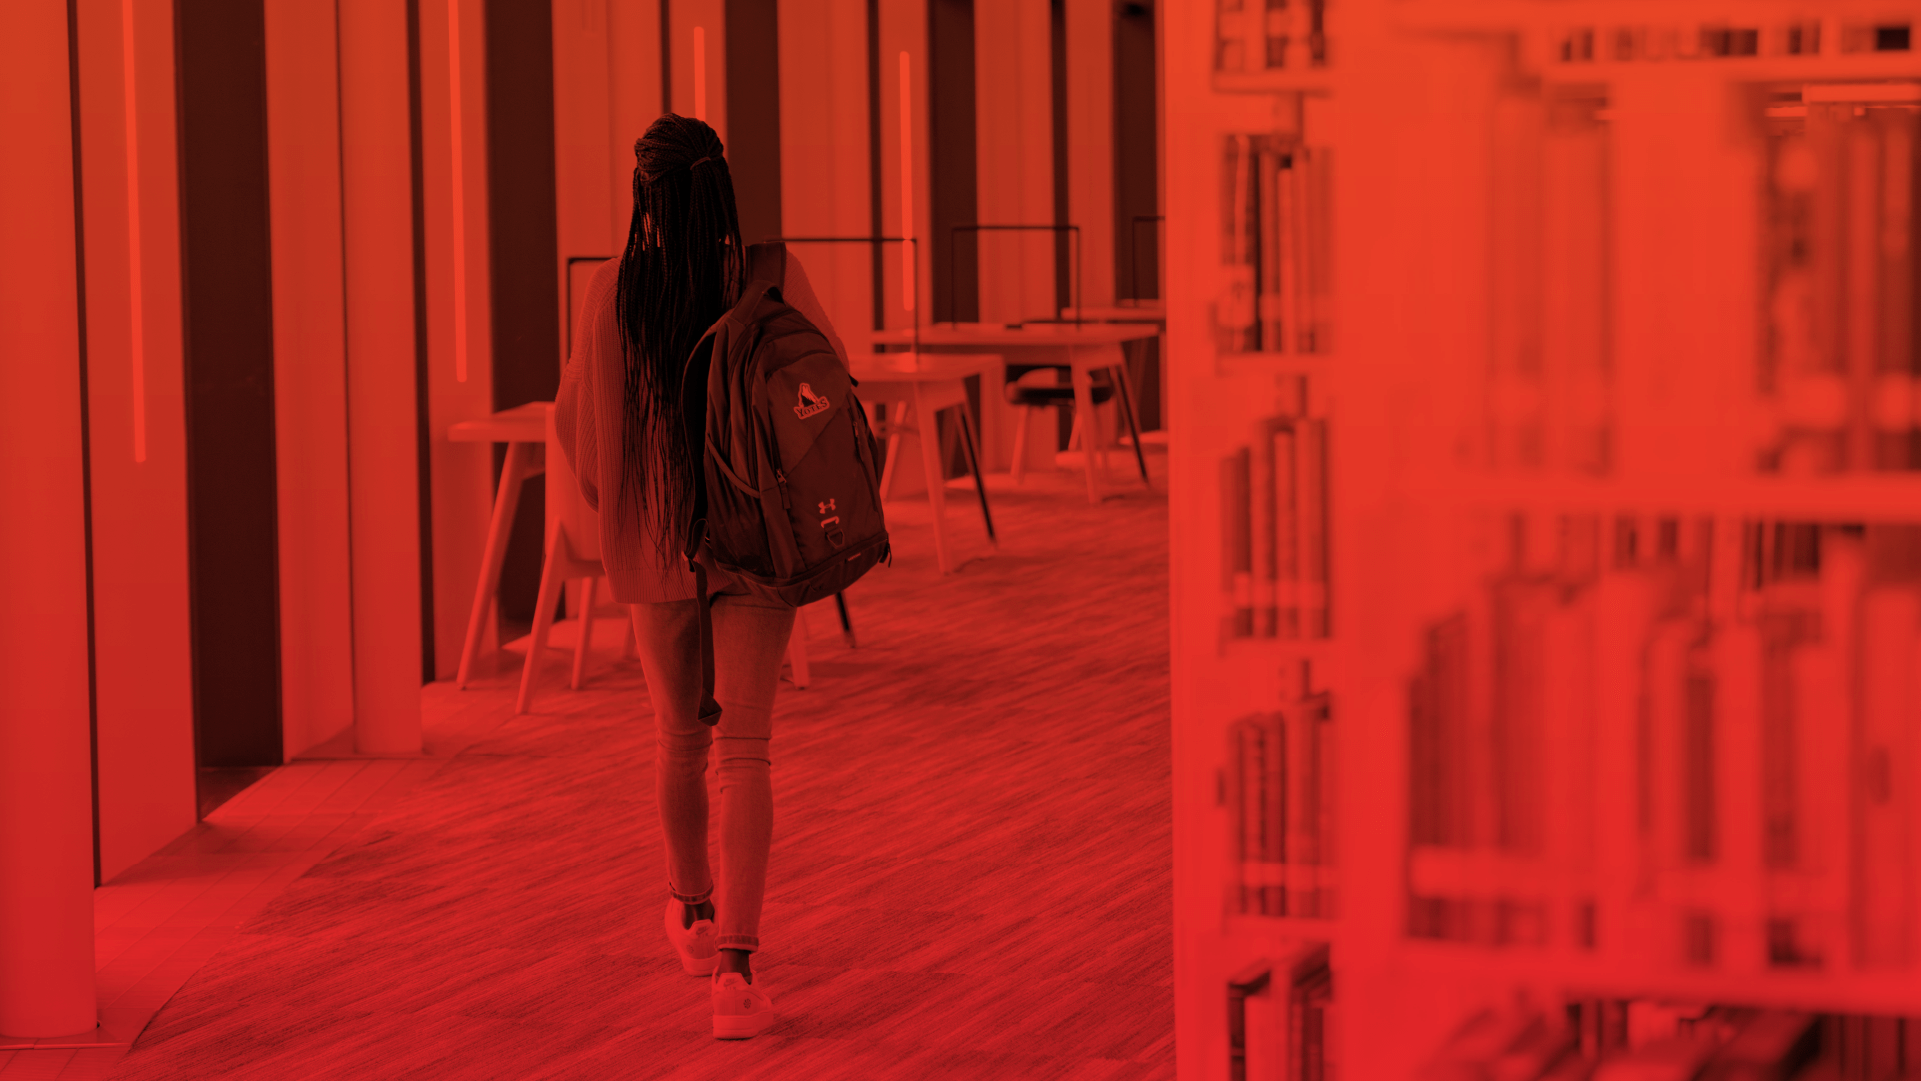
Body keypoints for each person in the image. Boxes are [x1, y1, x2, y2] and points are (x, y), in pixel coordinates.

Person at [555, 113, 850, 1041]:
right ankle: (737, 976)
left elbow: (578, 430)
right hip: (756, 542)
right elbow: (832, 390)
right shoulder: (770, 275)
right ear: (723, 187)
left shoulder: (611, 292)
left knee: (678, 740)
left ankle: (690, 912)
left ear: (643, 192)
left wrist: (628, 502)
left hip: (653, 543)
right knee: (747, 750)